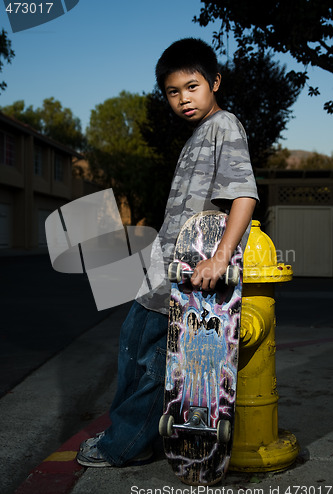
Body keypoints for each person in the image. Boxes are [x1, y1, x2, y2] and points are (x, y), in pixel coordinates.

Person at [76, 38, 259, 468]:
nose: (183, 99)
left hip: (189, 285)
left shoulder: (224, 126)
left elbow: (244, 197)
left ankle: (124, 445)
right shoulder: (197, 136)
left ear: (215, 81)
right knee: (132, 350)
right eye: (173, 92)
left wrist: (221, 258)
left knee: (158, 366)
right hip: (161, 275)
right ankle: (137, 434)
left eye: (192, 87)